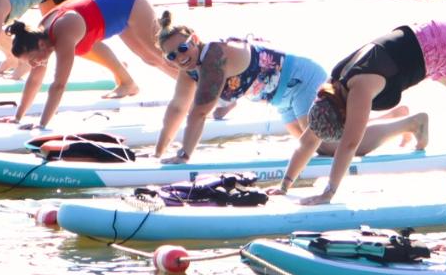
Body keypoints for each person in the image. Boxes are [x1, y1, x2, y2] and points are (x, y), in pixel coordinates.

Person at [151, 14, 426, 191]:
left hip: (302, 80)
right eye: (171, 56)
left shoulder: (213, 57)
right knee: (314, 147)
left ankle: (410, 123)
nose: (179, 57)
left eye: (183, 48)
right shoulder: (189, 72)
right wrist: (158, 154)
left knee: (329, 146)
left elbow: (198, 113)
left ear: (195, 40)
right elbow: (177, 109)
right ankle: (390, 118)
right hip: (282, 99)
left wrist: (184, 156)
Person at [303, 22, 446, 205]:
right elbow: (309, 138)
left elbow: (349, 144)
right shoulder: (333, 86)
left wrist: (328, 193)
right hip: (428, 48)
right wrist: (286, 183)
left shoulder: (359, 89)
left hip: (442, 47)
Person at [2, 0, 174, 126]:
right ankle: (185, 86)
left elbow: (59, 85)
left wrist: (41, 125)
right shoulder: (40, 36)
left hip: (130, 5)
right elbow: (34, 80)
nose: (34, 64)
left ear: (40, 45)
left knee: (161, 55)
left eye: (32, 59)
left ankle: (194, 86)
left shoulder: (63, 32)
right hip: (117, 17)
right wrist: (17, 118)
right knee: (150, 59)